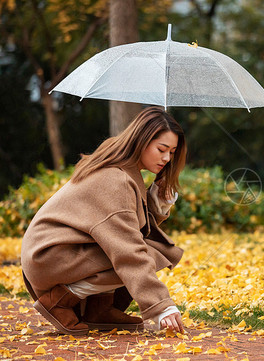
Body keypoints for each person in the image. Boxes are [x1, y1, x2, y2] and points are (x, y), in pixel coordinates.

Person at [21, 106, 187, 335]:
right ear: (142, 140)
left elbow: (131, 228)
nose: (167, 158)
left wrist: (157, 203)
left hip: (57, 253)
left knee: (140, 249)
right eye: (162, 149)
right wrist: (161, 306)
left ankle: (99, 310)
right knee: (145, 254)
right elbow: (129, 249)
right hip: (50, 257)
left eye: (173, 151)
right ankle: (57, 301)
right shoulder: (115, 180)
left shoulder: (121, 169)